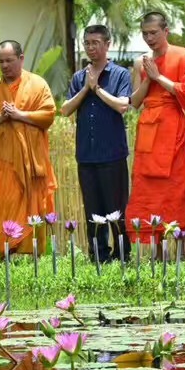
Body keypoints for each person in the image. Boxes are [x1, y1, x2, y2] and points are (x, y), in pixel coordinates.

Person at [128, 11, 185, 251]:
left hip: (173, 126)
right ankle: (157, 250)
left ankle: (179, 249)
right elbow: (135, 101)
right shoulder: (141, 62)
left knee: (175, 186)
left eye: (154, 33)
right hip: (149, 129)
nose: (149, 38)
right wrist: (149, 79)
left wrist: (159, 77)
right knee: (147, 188)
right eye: (145, 34)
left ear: (165, 31)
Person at [0, 40, 57, 255]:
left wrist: (19, 115)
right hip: (3, 164)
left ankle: (32, 254)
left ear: (21, 59)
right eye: (0, 61)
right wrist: (2, 117)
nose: (4, 65)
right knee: (4, 204)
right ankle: (6, 253)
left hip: (32, 165)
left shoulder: (38, 85)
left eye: (9, 60)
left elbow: (48, 116)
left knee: (33, 207)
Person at [60, 24, 132, 262]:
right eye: (87, 43)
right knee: (93, 210)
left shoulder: (120, 74)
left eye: (96, 43)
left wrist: (97, 89)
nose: (91, 48)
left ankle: (123, 256)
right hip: (87, 155)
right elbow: (65, 109)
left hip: (112, 154)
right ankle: (98, 257)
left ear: (107, 44)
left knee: (117, 209)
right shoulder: (80, 77)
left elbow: (123, 105)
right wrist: (86, 89)